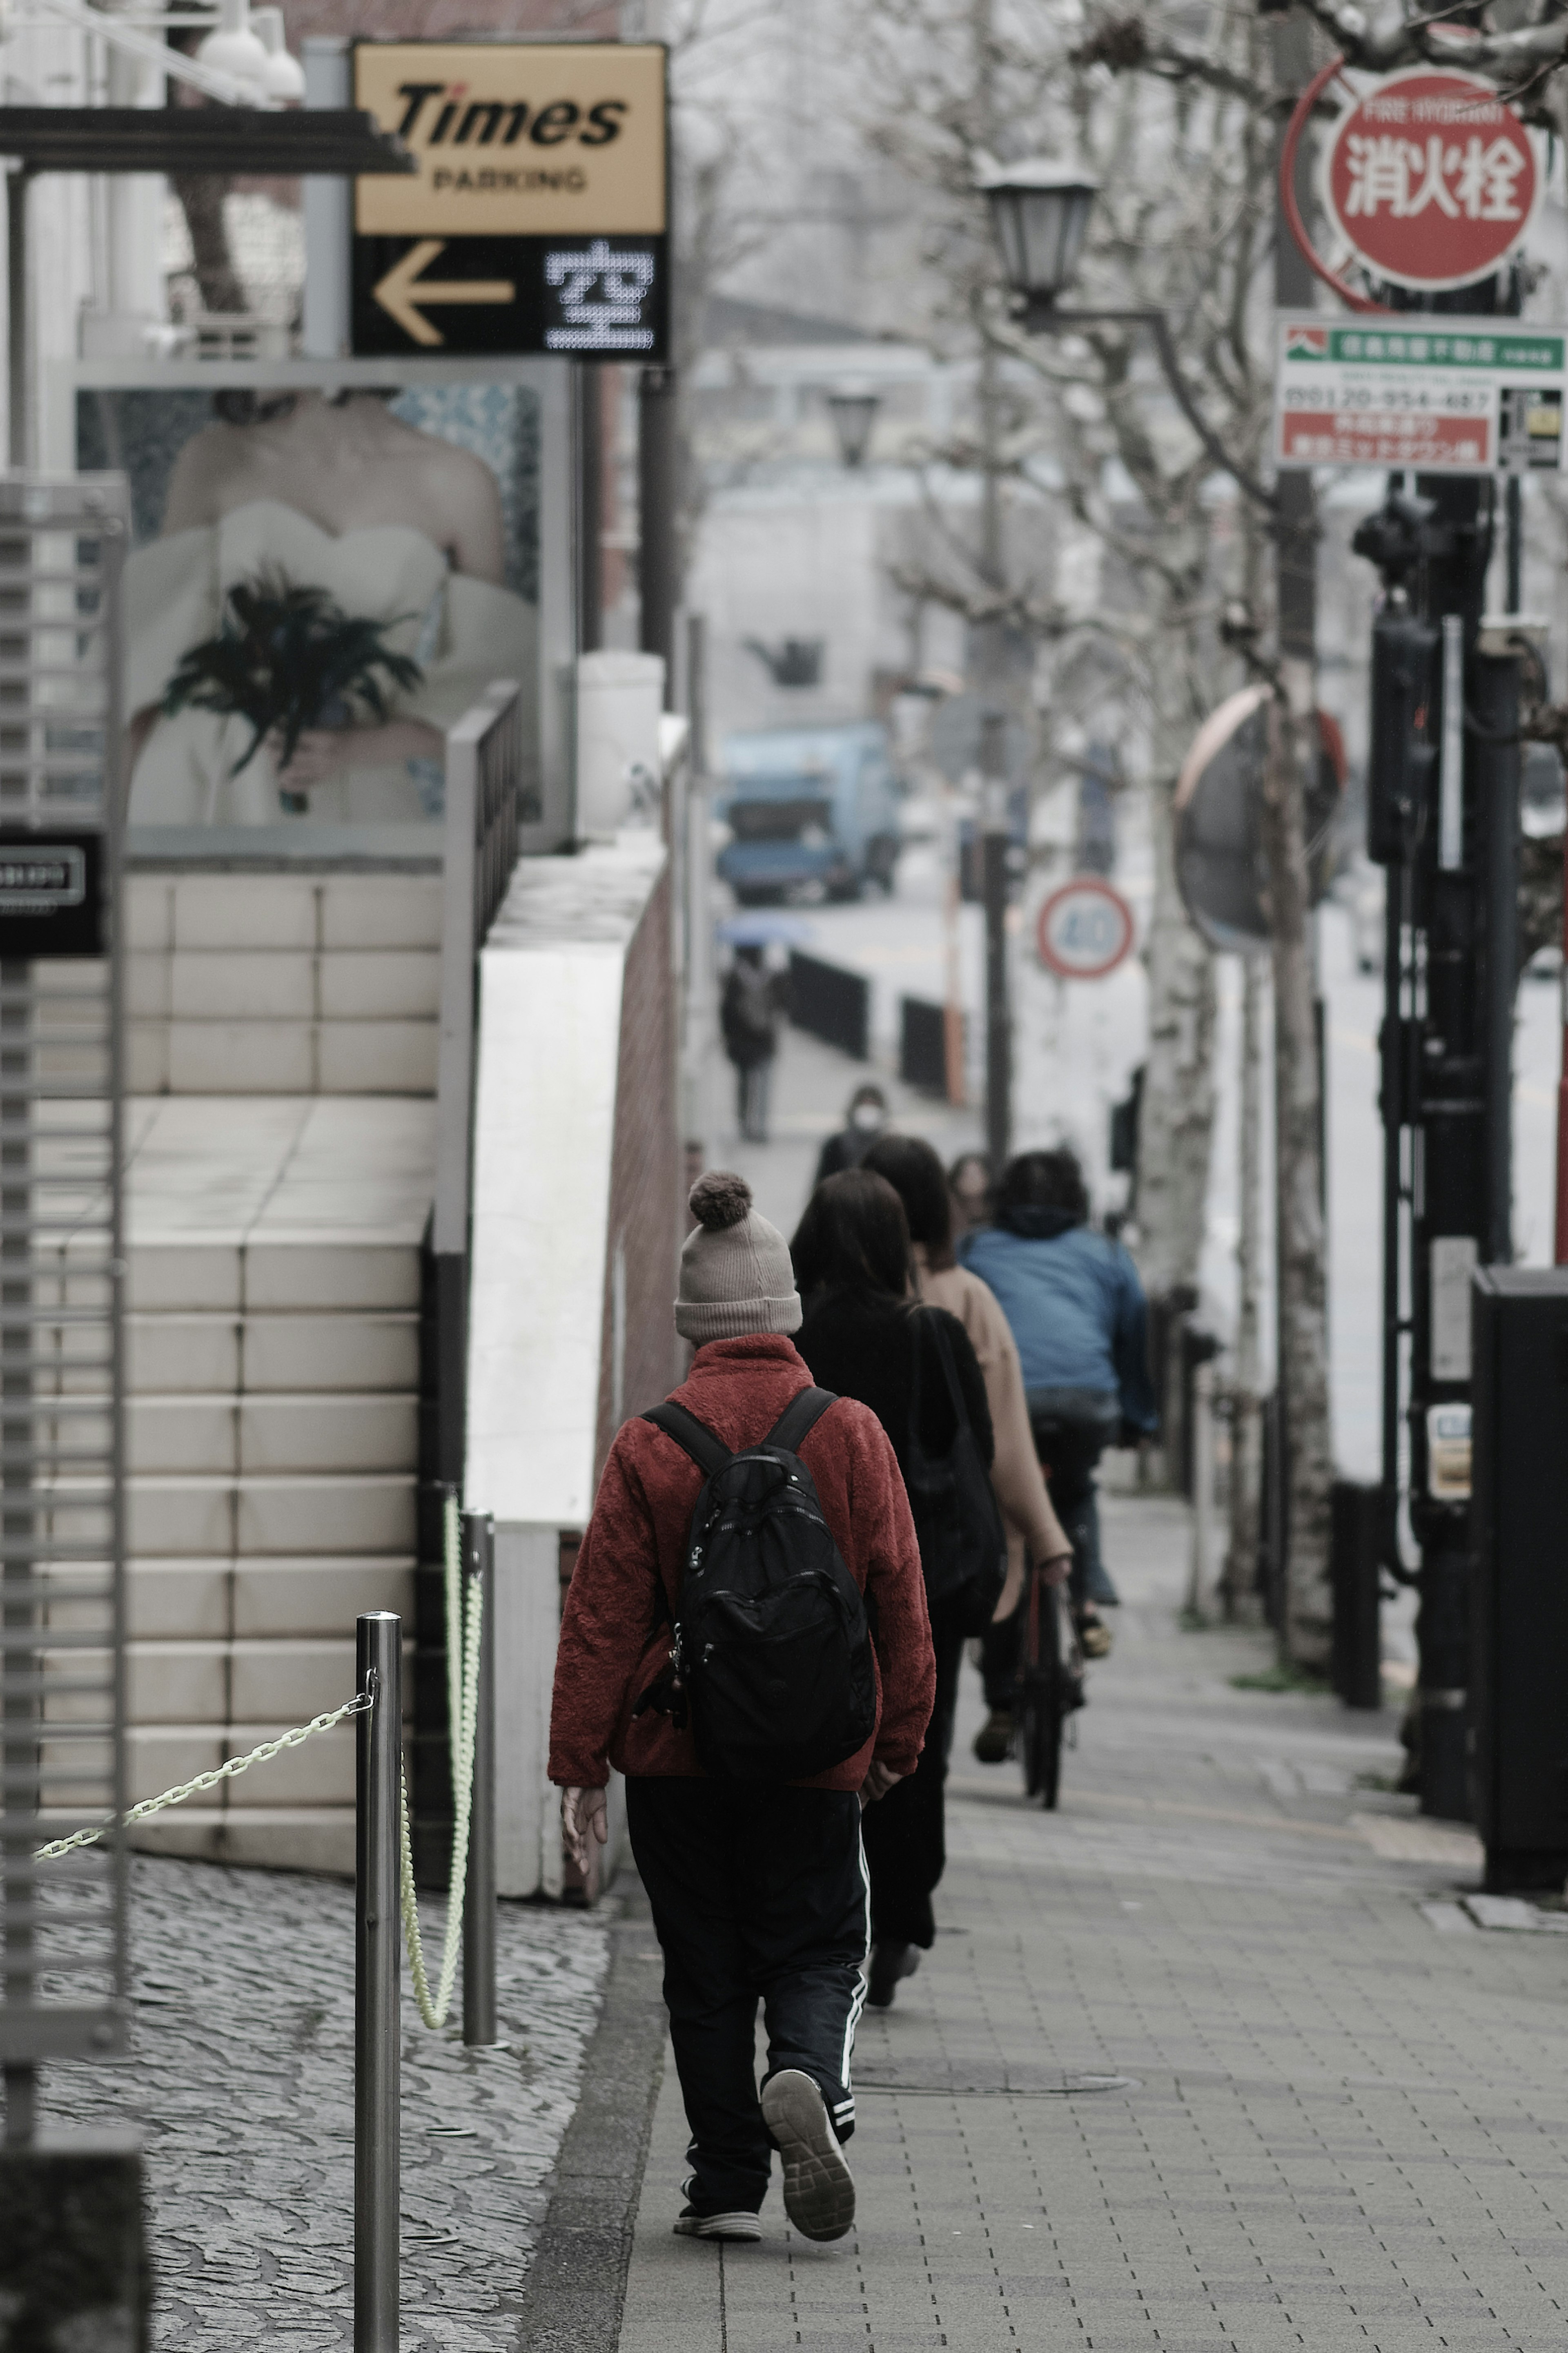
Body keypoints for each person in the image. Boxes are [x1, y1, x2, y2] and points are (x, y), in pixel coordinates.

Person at [550, 1169, 934, 2248]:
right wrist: (896, 1738)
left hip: (679, 1750)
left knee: (705, 1965)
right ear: (786, 1310)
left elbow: (602, 1617)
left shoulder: (651, 1440)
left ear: (692, 1323)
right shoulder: (849, 1431)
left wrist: (579, 1768)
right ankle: (806, 2072)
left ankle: (724, 2181)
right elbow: (899, 1593)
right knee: (817, 1944)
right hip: (816, 1753)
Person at [123, 387, 532, 824]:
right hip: (198, 783)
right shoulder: (213, 457)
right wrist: (109, 854)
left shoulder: (459, 481)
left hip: (361, 782)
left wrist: (361, 748)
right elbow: (148, 666)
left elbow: (492, 691)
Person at [791, 1168, 992, 2010]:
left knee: (807, 1743)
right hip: (916, 1577)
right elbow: (971, 1442)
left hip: (801, 1576)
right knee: (914, 1747)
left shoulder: (791, 1338)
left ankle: (811, 1917)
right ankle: (898, 1924)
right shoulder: (931, 1333)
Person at [961, 1148, 1158, 1724]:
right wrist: (1137, 1420)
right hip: (1085, 1402)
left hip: (1006, 1403)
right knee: (1074, 1490)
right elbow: (1133, 1332)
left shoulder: (977, 1249)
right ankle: (1087, 1592)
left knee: (1007, 1527)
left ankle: (1001, 1699)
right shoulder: (1107, 1254)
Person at [862, 1131, 1074, 1639]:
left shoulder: (822, 1298)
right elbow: (1003, 1432)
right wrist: (1046, 1539)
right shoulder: (966, 1298)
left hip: (847, 1538)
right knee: (933, 1699)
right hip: (940, 1541)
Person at [719, 946, 784, 1142]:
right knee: (763, 1086)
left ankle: (745, 1126)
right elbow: (785, 1004)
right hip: (765, 1041)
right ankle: (761, 1128)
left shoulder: (735, 978)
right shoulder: (773, 978)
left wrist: (729, 1039)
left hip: (743, 1043)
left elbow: (726, 1013)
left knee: (745, 1087)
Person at [813, 1083, 889, 1187]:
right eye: (865, 1105)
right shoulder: (835, 1146)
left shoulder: (890, 1149)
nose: (869, 1111)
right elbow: (822, 1186)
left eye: (873, 1105)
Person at [948, 1149, 992, 1239]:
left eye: (976, 1175)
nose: (972, 1180)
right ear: (956, 1180)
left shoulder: (995, 1206)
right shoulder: (950, 1210)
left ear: (987, 1178)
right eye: (967, 1175)